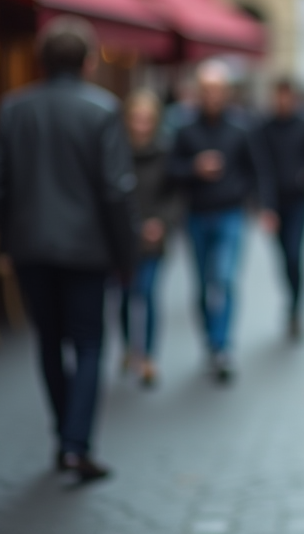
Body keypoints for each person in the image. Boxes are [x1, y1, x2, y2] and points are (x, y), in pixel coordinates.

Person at [0, 16, 137, 484]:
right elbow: (116, 191)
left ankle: (63, 438)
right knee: (89, 344)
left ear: (42, 60)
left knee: (49, 341)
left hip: (31, 249)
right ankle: (76, 445)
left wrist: (11, 233)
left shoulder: (14, 108)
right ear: (89, 62)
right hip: (87, 251)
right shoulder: (102, 109)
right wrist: (125, 255)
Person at [168, 60, 275, 383]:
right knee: (202, 284)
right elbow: (169, 171)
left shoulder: (241, 128)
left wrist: (265, 207)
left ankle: (222, 346)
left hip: (231, 213)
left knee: (225, 279)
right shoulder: (184, 129)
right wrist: (193, 168)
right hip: (197, 214)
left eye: (217, 90)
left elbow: (257, 169)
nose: (212, 96)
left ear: (226, 93)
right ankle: (210, 340)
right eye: (206, 90)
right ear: (198, 93)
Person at [258, 79, 304, 338]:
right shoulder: (264, 127)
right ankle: (290, 297)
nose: (282, 102)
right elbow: (261, 168)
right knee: (282, 257)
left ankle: (294, 308)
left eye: (286, 96)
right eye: (278, 97)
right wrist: (265, 207)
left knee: (294, 254)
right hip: (275, 202)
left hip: (299, 200)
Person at [119, 89, 175, 387]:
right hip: (124, 238)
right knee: (126, 295)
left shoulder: (164, 151)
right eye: (136, 119)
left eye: (146, 119)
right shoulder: (116, 150)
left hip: (154, 237)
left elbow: (174, 194)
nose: (141, 125)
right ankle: (130, 348)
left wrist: (161, 223)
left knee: (149, 293)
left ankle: (149, 357)